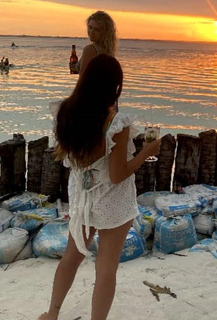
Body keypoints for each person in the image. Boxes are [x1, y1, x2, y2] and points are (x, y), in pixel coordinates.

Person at [38, 55, 161, 320]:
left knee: (71, 256)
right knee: (106, 269)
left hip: (82, 195)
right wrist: (146, 152)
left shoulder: (66, 113)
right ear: (114, 87)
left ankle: (52, 313)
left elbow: (71, 158)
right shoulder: (115, 122)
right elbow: (117, 175)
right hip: (112, 199)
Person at [78, 11, 117, 77]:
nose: (91, 32)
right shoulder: (108, 51)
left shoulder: (90, 50)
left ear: (105, 32)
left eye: (97, 30)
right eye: (90, 27)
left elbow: (82, 79)